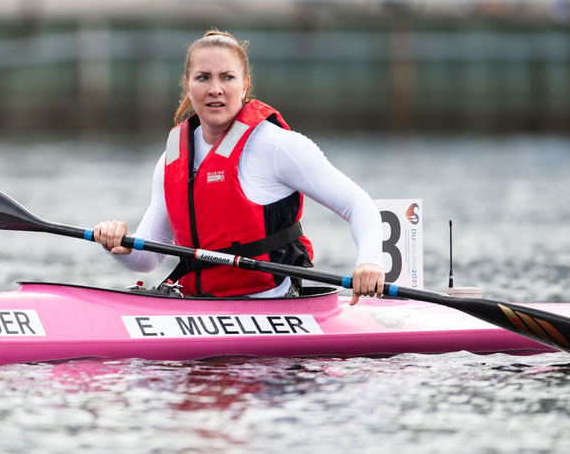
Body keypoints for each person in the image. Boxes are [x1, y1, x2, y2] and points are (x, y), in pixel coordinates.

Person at [94, 29, 385, 305]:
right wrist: (120, 245)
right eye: (203, 78)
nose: (215, 89)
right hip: (201, 306)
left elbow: (358, 205)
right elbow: (147, 259)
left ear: (244, 84)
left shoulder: (277, 146)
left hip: (273, 303)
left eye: (227, 77)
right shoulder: (171, 159)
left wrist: (370, 262)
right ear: (187, 85)